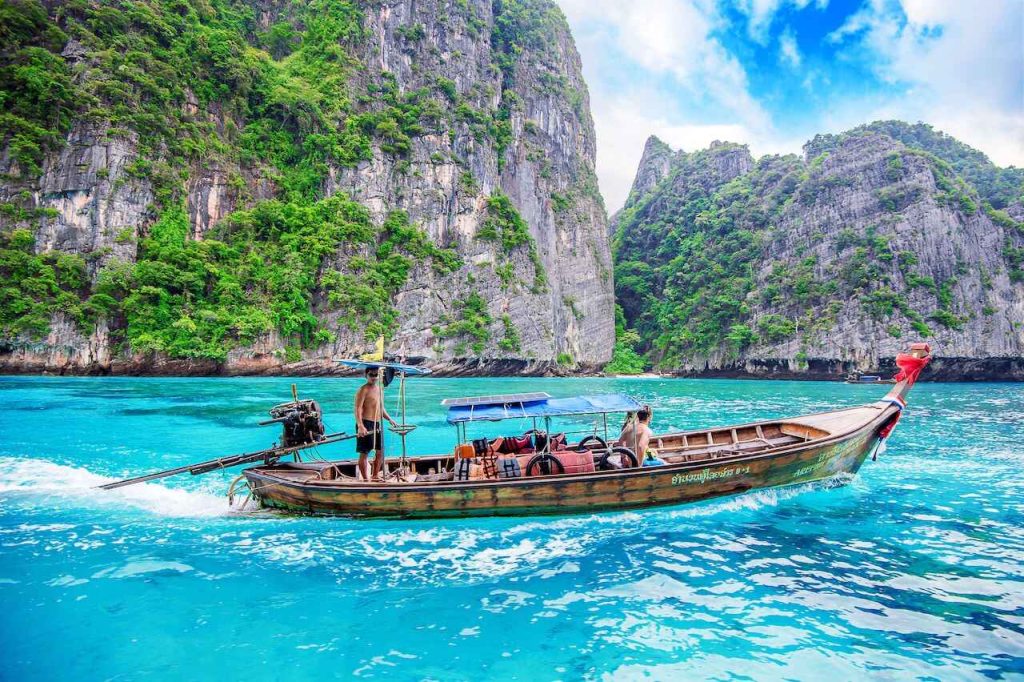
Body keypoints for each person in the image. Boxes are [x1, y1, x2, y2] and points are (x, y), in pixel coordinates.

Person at [354, 367, 397, 481]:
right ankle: (365, 479)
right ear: (366, 375)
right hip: (365, 423)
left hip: (377, 424)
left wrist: (390, 419)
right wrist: (360, 426)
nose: (374, 377)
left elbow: (381, 408)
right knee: (364, 453)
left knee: (380, 451)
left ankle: (375, 476)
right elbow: (358, 409)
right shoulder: (363, 390)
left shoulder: (380, 389)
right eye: (371, 375)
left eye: (376, 375)